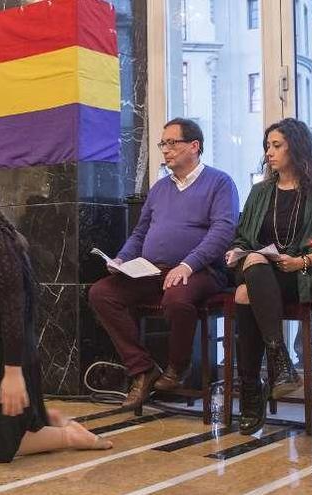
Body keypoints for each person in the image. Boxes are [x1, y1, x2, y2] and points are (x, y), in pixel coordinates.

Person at [0, 155, 111, 463]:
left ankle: (65, 434)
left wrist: (13, 372)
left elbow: (14, 308)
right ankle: (45, 417)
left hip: (6, 355)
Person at [88, 118, 239, 409]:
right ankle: (143, 369)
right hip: (152, 269)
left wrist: (187, 264)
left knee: (177, 298)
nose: (166, 150)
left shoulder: (220, 182)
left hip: (201, 270)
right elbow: (141, 231)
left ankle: (177, 368)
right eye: (163, 144)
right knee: (102, 292)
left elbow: (223, 232)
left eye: (172, 143)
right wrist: (121, 259)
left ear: (194, 146)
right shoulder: (159, 188)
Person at [225, 118, 312, 435]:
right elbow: (241, 238)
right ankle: (278, 362)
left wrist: (300, 261)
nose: (269, 153)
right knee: (254, 264)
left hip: (300, 274)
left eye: (277, 146)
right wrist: (234, 251)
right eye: (267, 146)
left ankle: (254, 390)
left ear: (297, 148)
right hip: (259, 269)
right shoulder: (260, 192)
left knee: (243, 295)